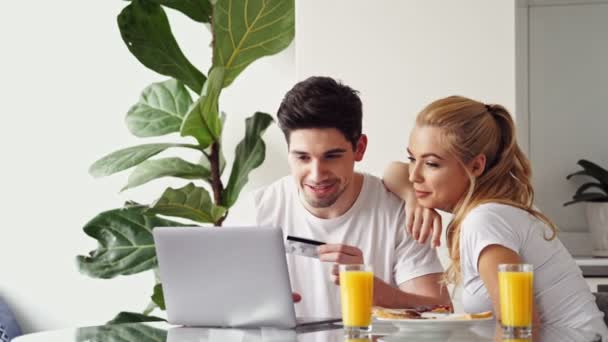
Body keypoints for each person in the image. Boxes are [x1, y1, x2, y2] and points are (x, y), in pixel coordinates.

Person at [383, 95, 606, 331]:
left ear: (476, 166)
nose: (413, 175)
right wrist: (411, 198)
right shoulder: (496, 208)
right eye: (411, 158)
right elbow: (392, 171)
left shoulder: (485, 220)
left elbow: (520, 330)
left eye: (431, 164)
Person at [251, 76, 452, 318]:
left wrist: (379, 294)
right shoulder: (258, 210)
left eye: (331, 156)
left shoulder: (399, 212)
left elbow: (441, 312)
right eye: (302, 157)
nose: (316, 175)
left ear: (359, 148)